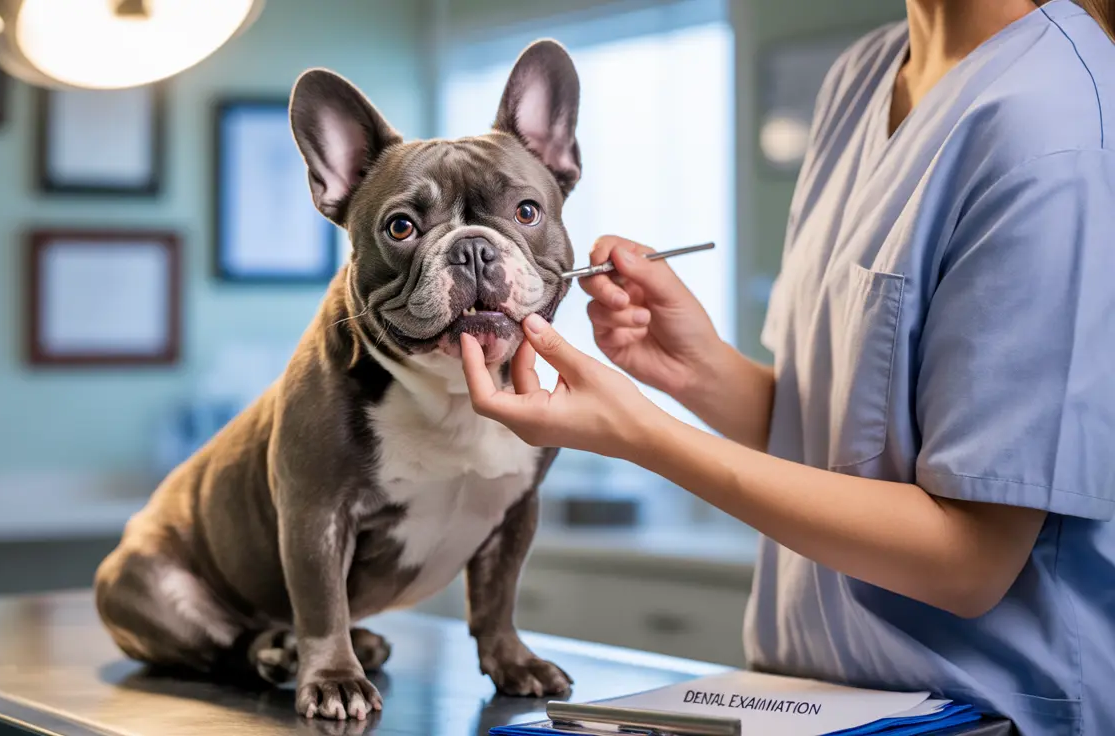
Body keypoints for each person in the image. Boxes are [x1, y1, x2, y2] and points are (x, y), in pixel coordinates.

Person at [458, 0, 1115, 733]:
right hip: (806, 701)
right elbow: (843, 434)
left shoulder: (1054, 125)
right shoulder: (858, 79)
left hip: (982, 717)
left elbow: (969, 560)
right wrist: (696, 369)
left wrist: (641, 435)